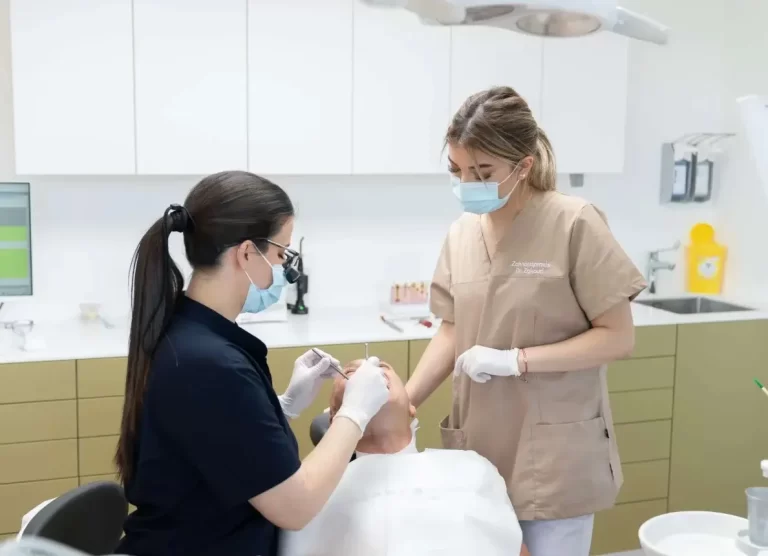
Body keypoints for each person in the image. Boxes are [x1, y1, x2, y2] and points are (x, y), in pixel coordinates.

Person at [406, 87, 648, 556]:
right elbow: (452, 331)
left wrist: (516, 360)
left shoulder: (574, 222)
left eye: (483, 172)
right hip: (477, 445)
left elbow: (617, 338)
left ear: (523, 165)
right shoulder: (462, 233)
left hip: (553, 452)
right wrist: (404, 401)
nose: (467, 183)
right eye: (457, 171)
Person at [114, 171, 391, 556]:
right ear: (246, 253)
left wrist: (282, 406)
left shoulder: (188, 331)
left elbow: (213, 439)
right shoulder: (209, 363)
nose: (283, 268)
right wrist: (356, 413)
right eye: (281, 254)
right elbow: (296, 506)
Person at [280, 359, 530, 556]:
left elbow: (513, 546)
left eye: (381, 369)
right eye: (352, 373)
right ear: (336, 417)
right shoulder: (311, 492)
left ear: (412, 407)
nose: (370, 374)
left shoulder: (472, 466)